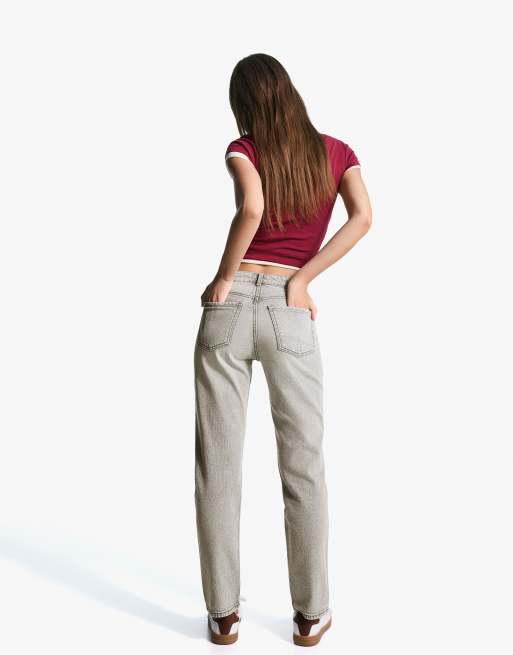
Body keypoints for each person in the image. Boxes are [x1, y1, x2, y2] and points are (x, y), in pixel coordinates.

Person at [194, 53, 372, 646]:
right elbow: (363, 218)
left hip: (232, 304)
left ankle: (223, 614)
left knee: (218, 466)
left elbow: (252, 208)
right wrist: (303, 279)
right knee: (304, 465)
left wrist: (225, 277)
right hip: (289, 311)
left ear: (244, 102)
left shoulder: (243, 149)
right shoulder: (336, 152)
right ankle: (311, 613)